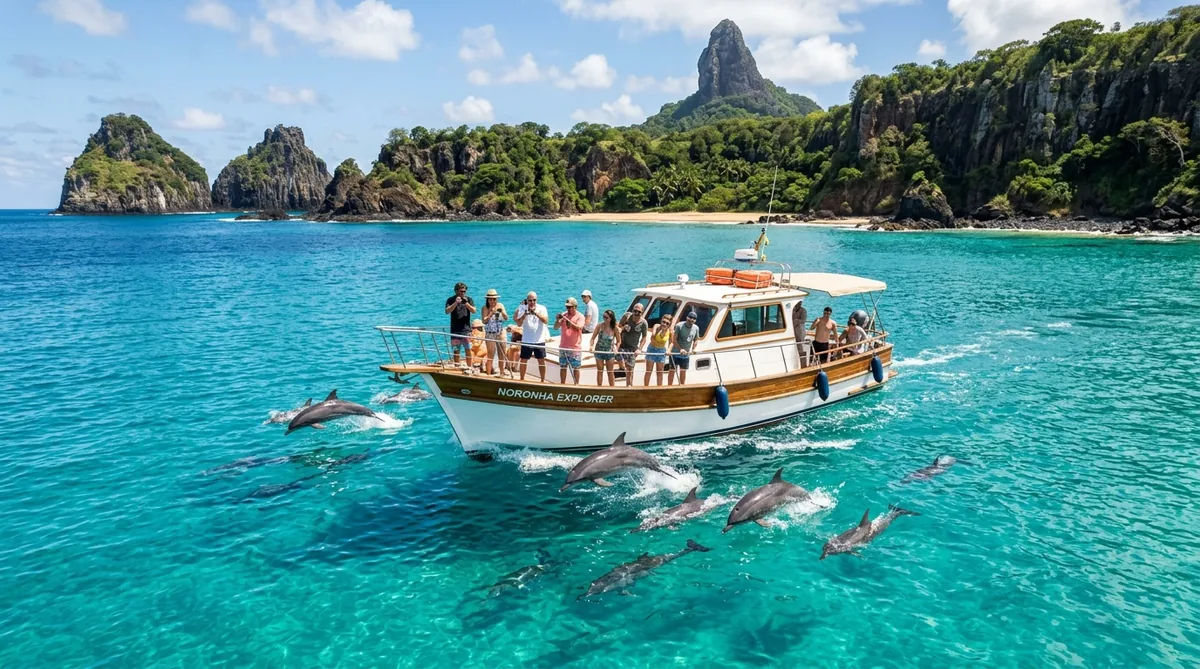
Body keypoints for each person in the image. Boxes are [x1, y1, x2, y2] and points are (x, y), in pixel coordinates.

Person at [513, 291, 549, 382]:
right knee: (523, 360)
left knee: (541, 361)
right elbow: (517, 322)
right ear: (527, 300)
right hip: (527, 340)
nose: (532, 302)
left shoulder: (542, 308)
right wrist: (524, 312)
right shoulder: (523, 309)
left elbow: (546, 321)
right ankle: (522, 379)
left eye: (534, 300)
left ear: (536, 300)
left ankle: (542, 380)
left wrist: (536, 313)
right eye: (530, 300)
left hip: (539, 340)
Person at [554, 297, 586, 384]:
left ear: (575, 307)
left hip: (575, 347)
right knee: (563, 367)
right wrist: (558, 321)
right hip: (563, 346)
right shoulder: (564, 315)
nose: (568, 309)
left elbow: (580, 327)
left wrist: (569, 322)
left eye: (570, 307)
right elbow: (555, 327)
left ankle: (576, 384)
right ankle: (562, 384)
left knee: (576, 368)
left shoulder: (580, 316)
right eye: (567, 307)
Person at [444, 282, 476, 367]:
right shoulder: (450, 300)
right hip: (455, 330)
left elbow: (474, 311)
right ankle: (457, 366)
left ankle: (469, 367)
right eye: (461, 291)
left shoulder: (468, 299)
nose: (463, 293)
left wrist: (466, 303)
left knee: (468, 349)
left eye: (464, 291)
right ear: (456, 291)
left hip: (466, 330)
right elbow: (447, 311)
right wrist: (455, 303)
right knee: (456, 351)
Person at [617, 303, 648, 386]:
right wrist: (623, 328)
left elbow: (644, 337)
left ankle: (629, 385)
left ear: (642, 312)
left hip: (632, 348)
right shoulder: (627, 316)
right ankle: (621, 369)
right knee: (618, 360)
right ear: (632, 310)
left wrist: (639, 349)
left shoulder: (644, 323)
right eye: (635, 311)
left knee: (630, 368)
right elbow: (618, 326)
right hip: (621, 345)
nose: (636, 313)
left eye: (639, 312)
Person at [669, 311, 701, 385]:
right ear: (687, 317)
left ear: (695, 320)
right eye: (690, 317)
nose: (691, 319)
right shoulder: (679, 326)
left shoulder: (696, 328)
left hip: (685, 354)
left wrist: (694, 348)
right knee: (672, 370)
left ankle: (682, 386)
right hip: (675, 352)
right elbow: (674, 340)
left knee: (683, 371)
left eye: (694, 318)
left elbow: (696, 339)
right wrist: (680, 349)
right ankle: (669, 386)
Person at [481, 289, 508, 376]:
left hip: (500, 332)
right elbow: (484, 321)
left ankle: (501, 373)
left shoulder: (500, 305)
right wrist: (491, 313)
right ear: (487, 300)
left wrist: (502, 312)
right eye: (490, 299)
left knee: (502, 354)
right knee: (490, 355)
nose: (492, 301)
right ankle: (488, 374)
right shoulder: (485, 308)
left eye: (494, 299)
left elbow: (506, 318)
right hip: (490, 333)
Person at [590, 309, 620, 386]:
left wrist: (616, 347)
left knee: (610, 371)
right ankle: (599, 388)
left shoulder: (615, 328)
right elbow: (592, 338)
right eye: (603, 317)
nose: (604, 319)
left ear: (611, 318)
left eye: (606, 317)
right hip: (599, 351)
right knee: (600, 371)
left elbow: (619, 341)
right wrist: (591, 346)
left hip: (609, 352)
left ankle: (612, 389)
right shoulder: (599, 326)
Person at [644, 313, 673, 386]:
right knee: (648, 371)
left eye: (667, 323)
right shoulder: (656, 326)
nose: (665, 324)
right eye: (663, 322)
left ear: (669, 324)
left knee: (660, 372)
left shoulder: (670, 331)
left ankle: (659, 388)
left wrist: (669, 350)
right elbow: (652, 338)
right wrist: (661, 331)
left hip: (661, 351)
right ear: (661, 321)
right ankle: (645, 388)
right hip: (652, 349)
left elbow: (671, 342)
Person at [792, 301, 809, 367]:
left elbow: (803, 320)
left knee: (799, 344)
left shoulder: (803, 310)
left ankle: (803, 363)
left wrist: (796, 321)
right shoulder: (792, 310)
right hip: (793, 328)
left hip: (799, 329)